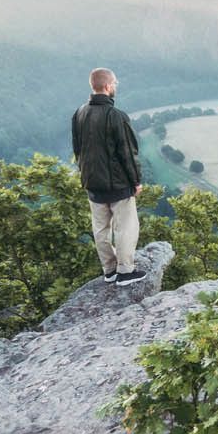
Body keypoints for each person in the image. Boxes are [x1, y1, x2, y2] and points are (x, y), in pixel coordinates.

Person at [71, 67, 145, 285]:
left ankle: (109, 270)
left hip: (92, 183)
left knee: (100, 229)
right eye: (115, 84)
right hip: (118, 185)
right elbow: (128, 154)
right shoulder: (116, 116)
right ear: (108, 86)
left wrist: (86, 174)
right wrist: (136, 181)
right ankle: (125, 271)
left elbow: (78, 150)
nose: (115, 87)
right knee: (126, 227)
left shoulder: (79, 113)